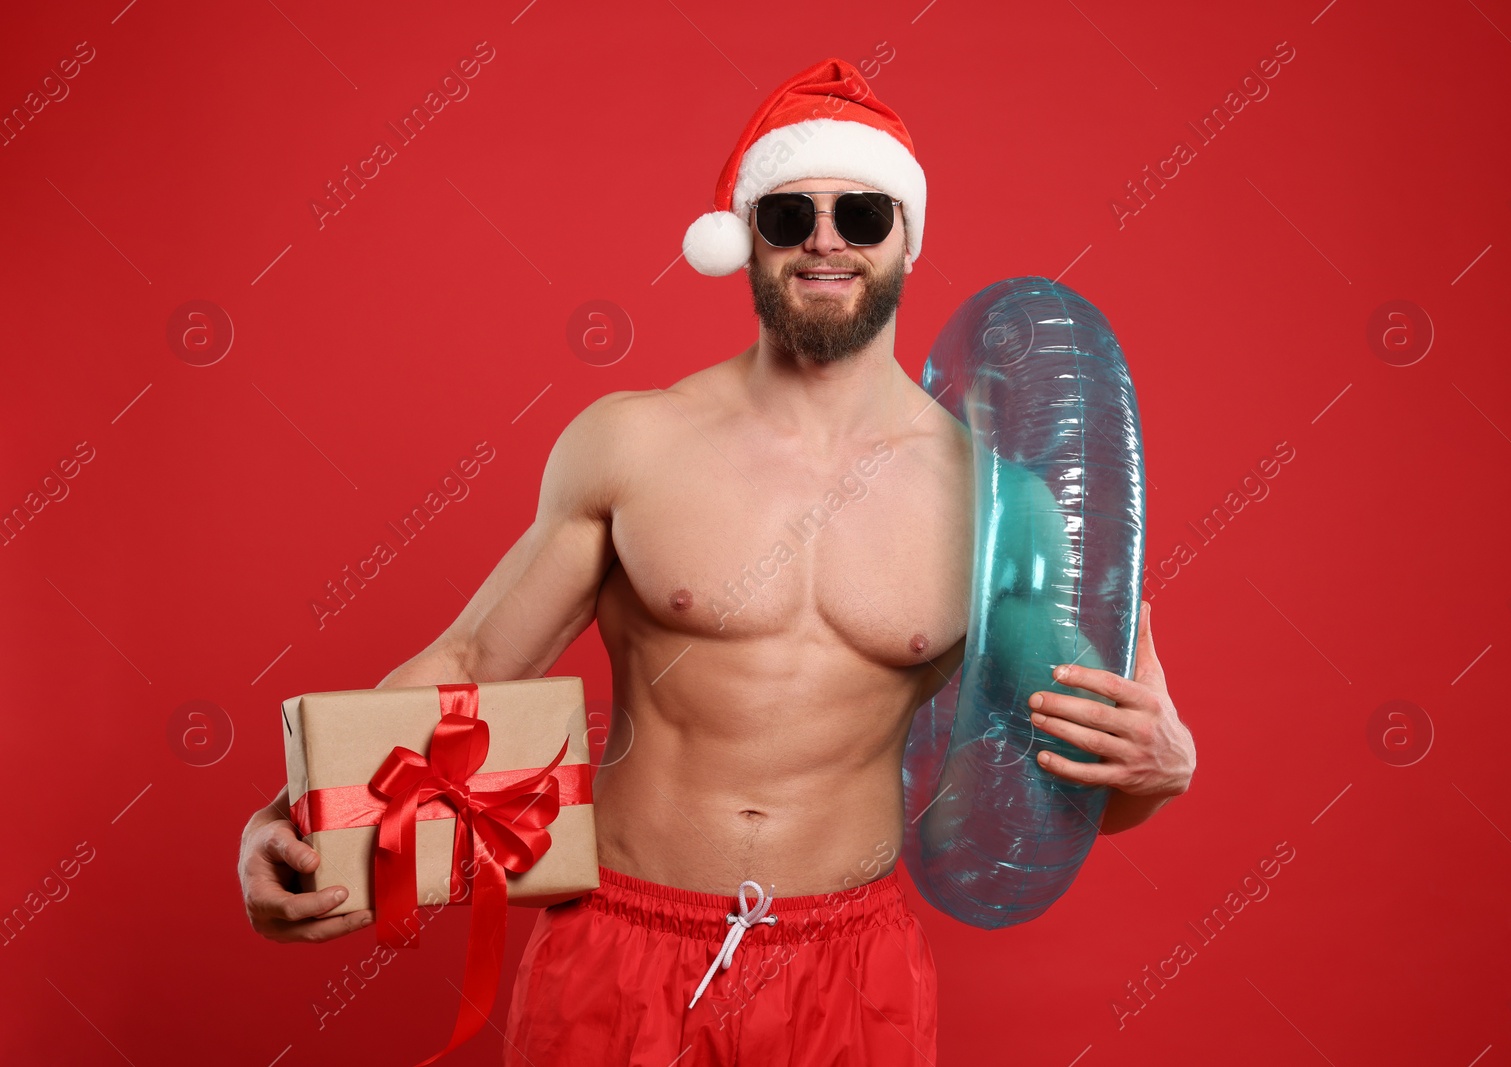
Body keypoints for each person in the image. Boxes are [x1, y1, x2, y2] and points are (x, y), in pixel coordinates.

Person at [237, 57, 1196, 1066]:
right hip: (619, 944)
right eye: (789, 216)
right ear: (744, 242)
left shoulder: (997, 506)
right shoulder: (632, 442)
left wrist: (1163, 768)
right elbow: (472, 659)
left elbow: (1084, 779)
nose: (826, 239)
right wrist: (294, 814)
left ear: (909, 236)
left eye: (862, 213)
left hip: (849, 971)